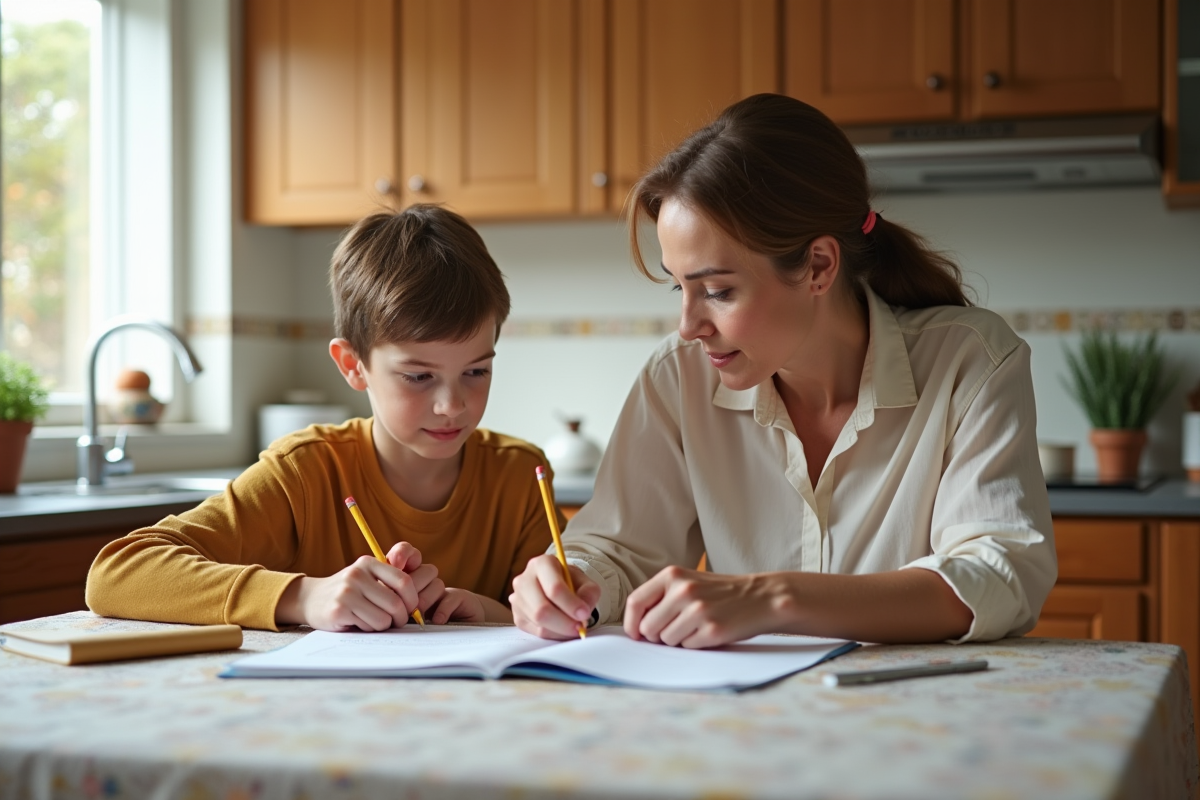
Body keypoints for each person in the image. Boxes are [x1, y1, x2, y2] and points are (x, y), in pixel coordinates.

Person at [511, 94, 1057, 649]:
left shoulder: (970, 361)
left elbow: (997, 574)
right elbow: (618, 549)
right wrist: (573, 578)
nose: (688, 326)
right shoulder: (676, 379)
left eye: (718, 291)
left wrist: (775, 600)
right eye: (681, 287)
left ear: (818, 265)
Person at [88, 205, 559, 631]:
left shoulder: (520, 475)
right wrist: (305, 596)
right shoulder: (305, 472)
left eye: (476, 370)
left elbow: (557, 611)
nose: (452, 405)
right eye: (418, 377)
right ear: (353, 365)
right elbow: (117, 573)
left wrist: (485, 612)